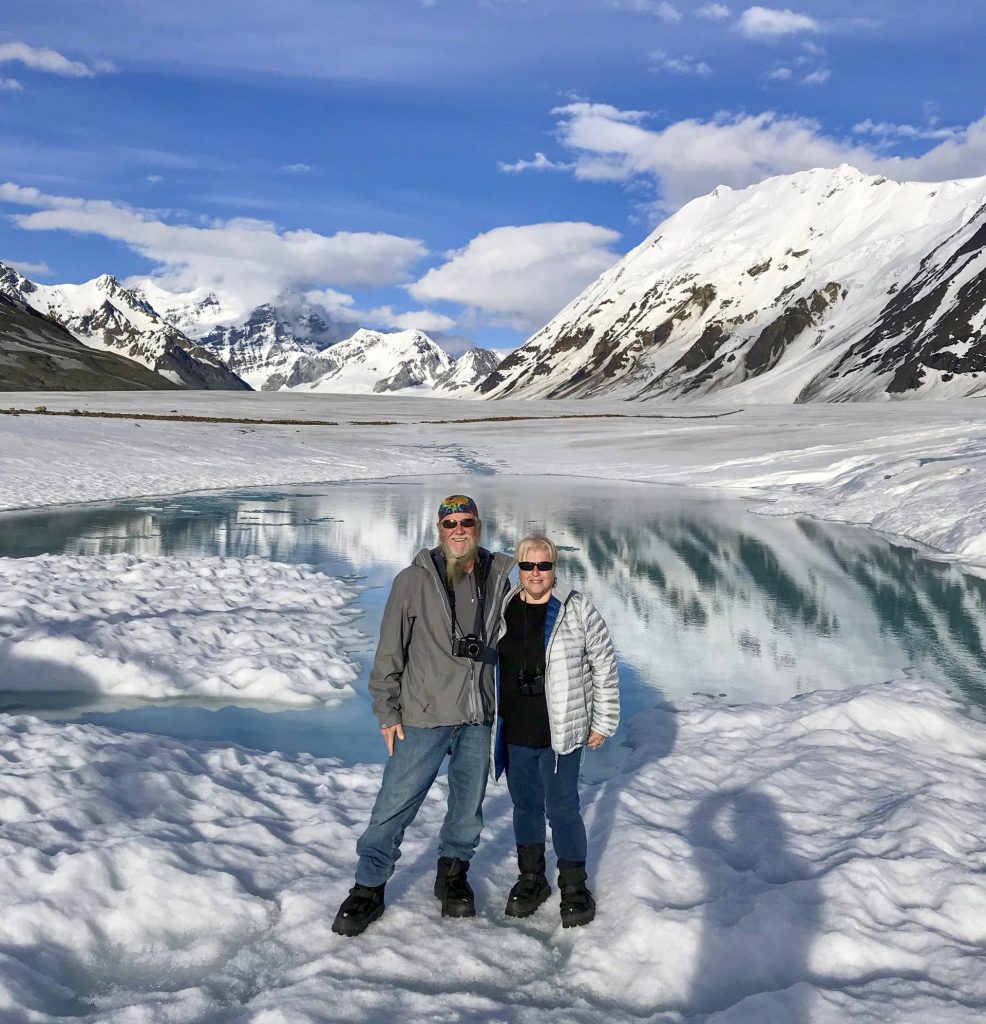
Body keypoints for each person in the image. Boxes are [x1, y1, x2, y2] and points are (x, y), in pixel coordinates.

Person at [332, 494, 513, 937]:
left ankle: (452, 876)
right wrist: (386, 710)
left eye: (466, 522)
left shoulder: (503, 575)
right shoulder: (412, 580)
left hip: (478, 715)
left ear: (479, 526)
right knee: (395, 804)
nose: (458, 530)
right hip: (422, 715)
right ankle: (368, 887)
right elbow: (389, 652)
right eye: (449, 523)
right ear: (439, 528)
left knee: (467, 808)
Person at [494, 533, 619, 928]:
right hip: (515, 729)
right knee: (525, 806)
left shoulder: (576, 608)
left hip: (560, 730)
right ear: (518, 568)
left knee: (562, 807)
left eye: (543, 565)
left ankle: (574, 884)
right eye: (527, 565)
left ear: (554, 569)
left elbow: (604, 663)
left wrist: (603, 721)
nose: (535, 573)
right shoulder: (506, 605)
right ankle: (532, 878)